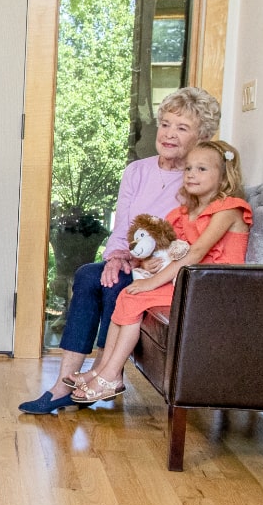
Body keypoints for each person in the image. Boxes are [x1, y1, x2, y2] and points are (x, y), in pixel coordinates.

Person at [20, 87, 221, 414]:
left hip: (161, 269)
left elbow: (186, 237)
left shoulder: (198, 180)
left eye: (182, 128)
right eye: (166, 124)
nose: (169, 134)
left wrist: (134, 260)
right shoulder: (137, 171)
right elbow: (123, 226)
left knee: (115, 281)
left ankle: (102, 375)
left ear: (204, 135)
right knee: (90, 274)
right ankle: (65, 383)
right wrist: (115, 255)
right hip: (128, 258)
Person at [67, 140, 252, 403]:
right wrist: (147, 264)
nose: (191, 174)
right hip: (188, 281)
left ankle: (111, 376)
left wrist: (151, 282)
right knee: (127, 296)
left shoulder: (228, 209)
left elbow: (196, 254)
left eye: (201, 169)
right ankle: (102, 370)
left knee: (137, 295)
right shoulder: (182, 212)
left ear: (223, 175)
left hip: (216, 288)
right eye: (188, 169)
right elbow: (162, 247)